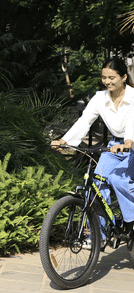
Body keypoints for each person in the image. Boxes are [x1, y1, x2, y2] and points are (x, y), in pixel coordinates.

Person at [51, 57, 134, 241]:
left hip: (132, 145)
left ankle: (131, 221)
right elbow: (84, 121)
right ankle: (99, 235)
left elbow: (132, 124)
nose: (107, 81)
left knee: (118, 179)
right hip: (114, 147)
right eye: (104, 77)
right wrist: (64, 140)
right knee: (97, 183)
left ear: (123, 78)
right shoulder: (99, 98)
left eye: (112, 77)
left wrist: (128, 142)